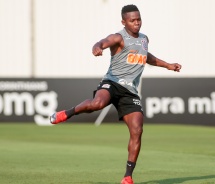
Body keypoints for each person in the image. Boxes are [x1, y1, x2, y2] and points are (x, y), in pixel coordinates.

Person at [50, 4, 182, 184]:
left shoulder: (144, 39)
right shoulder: (119, 37)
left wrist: (168, 65)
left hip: (130, 92)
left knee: (137, 130)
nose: (137, 23)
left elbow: (146, 56)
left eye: (139, 19)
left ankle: (128, 177)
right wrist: (97, 48)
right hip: (112, 82)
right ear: (124, 22)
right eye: (132, 20)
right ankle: (66, 113)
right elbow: (102, 42)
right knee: (97, 104)